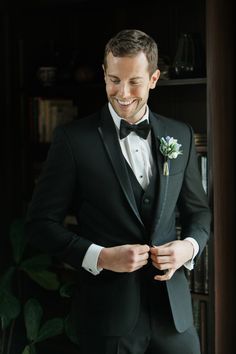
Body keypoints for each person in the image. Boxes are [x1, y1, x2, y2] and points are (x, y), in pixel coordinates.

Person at [25, 29, 211, 354]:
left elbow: (199, 212)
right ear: (104, 74)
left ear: (154, 78)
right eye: (114, 80)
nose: (122, 93)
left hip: (174, 318)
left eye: (134, 81)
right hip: (107, 320)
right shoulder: (72, 140)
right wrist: (100, 256)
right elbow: (39, 225)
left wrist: (189, 248)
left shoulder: (180, 134)